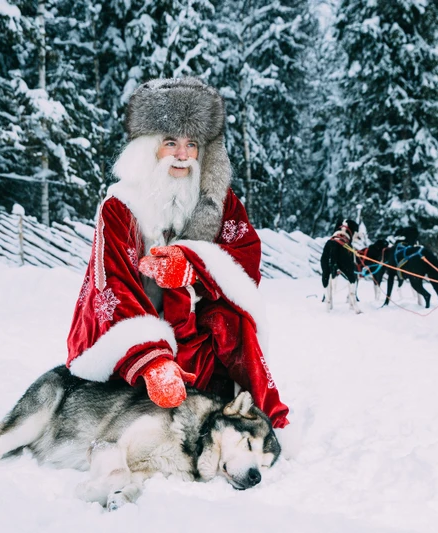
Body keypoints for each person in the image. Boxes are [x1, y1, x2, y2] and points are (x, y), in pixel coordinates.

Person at [65, 78, 289, 429]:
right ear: (149, 147)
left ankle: (255, 413)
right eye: (171, 142)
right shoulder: (120, 207)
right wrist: (151, 360)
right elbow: (113, 289)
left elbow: (245, 260)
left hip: (195, 331)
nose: (183, 155)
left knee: (234, 324)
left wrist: (193, 269)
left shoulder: (220, 204)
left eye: (192, 144)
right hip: (138, 330)